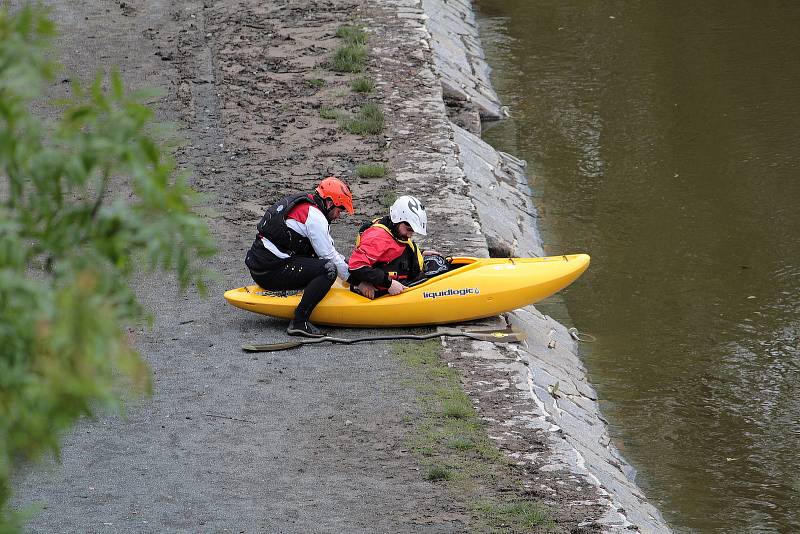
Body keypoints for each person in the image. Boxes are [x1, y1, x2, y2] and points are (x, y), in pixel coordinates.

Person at [245, 177, 354, 337]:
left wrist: (351, 265)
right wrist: (356, 281)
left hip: (263, 266)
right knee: (328, 270)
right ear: (330, 203)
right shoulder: (315, 217)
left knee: (324, 262)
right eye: (340, 209)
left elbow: (329, 249)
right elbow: (329, 256)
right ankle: (299, 322)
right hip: (268, 272)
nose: (339, 215)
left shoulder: (308, 206)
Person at [348, 195, 440, 299]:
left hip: (405, 280)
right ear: (398, 219)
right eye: (409, 229)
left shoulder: (395, 230)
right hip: (383, 292)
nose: (410, 235)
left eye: (413, 230)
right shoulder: (378, 237)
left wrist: (420, 253)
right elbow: (356, 265)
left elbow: (393, 251)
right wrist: (389, 283)